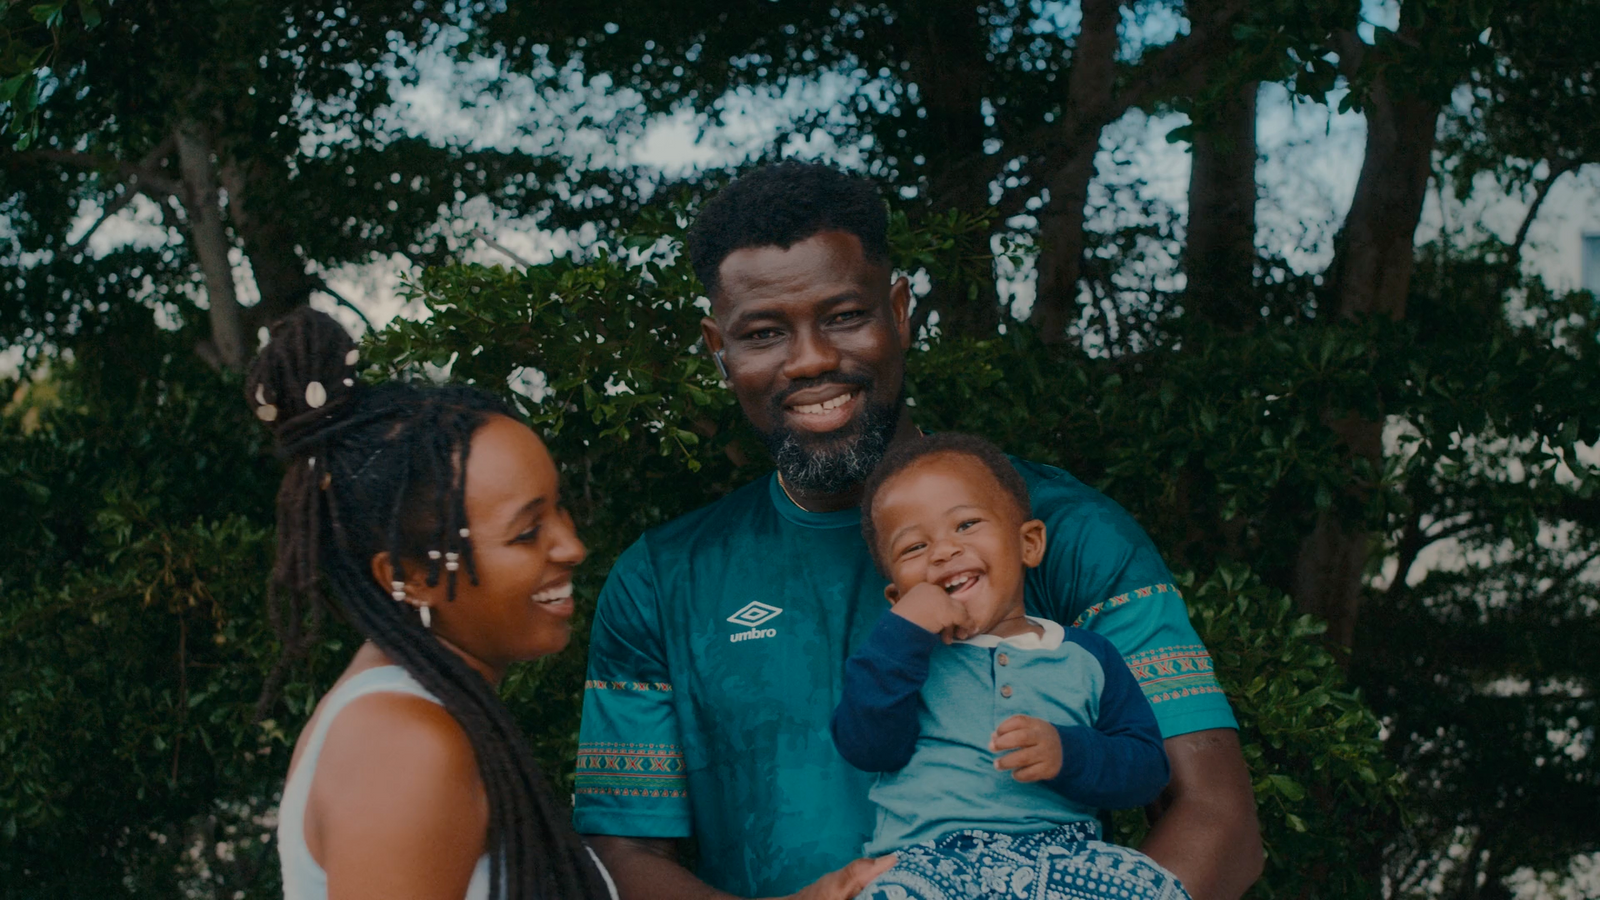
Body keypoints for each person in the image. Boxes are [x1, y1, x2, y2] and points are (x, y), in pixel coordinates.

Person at [575, 161, 1263, 900]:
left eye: (844, 316)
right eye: (764, 332)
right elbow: (621, 855)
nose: (810, 360)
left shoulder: (1066, 530)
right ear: (719, 348)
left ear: (899, 310)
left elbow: (1216, 817)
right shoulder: (663, 577)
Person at [248, 307, 616, 900]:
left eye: (559, 507)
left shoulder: (423, 713)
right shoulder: (403, 746)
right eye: (526, 532)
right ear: (410, 577)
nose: (572, 545)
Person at [832, 432, 1182, 900]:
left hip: (1062, 858)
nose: (942, 551)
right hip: (929, 861)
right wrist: (902, 635)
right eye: (913, 548)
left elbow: (1146, 770)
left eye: (966, 524)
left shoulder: (1087, 656)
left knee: (1152, 886)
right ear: (898, 596)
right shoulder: (898, 661)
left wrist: (1069, 751)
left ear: (1029, 543)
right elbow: (868, 746)